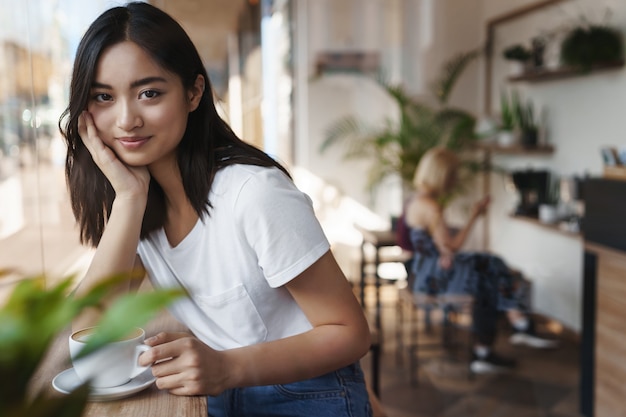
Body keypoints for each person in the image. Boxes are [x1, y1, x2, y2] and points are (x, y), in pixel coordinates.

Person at [59, 3, 373, 416]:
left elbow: (350, 334)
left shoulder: (253, 194)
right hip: (222, 392)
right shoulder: (139, 199)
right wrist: (129, 198)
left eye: (149, 93)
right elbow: (91, 327)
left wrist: (226, 367)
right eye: (103, 97)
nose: (126, 119)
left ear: (194, 93)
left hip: (308, 394)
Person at [403, 146, 557, 374]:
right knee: (492, 267)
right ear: (441, 174)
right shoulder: (432, 206)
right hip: (435, 278)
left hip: (424, 271)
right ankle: (516, 325)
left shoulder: (416, 200)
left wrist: (444, 251)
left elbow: (436, 245)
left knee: (487, 276)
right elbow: (452, 247)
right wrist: (474, 216)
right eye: (453, 174)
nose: (455, 180)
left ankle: (494, 345)